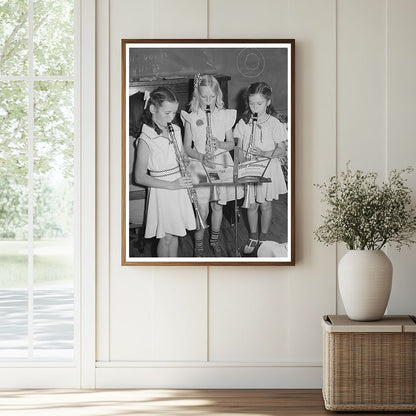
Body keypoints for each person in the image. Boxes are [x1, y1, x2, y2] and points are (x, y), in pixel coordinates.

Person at [181, 74, 241, 257]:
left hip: (221, 163)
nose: (208, 101)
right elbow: (186, 148)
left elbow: (231, 143)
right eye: (204, 96)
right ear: (197, 95)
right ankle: (198, 243)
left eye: (212, 97)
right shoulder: (191, 117)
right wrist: (200, 156)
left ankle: (214, 240)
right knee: (202, 208)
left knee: (217, 206)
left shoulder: (225, 115)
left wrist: (220, 144)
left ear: (218, 95)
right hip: (199, 165)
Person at [134, 87, 196, 257]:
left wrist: (186, 162)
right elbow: (139, 177)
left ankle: (173, 268)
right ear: (153, 109)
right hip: (163, 189)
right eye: (167, 113)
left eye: (174, 113)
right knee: (165, 237)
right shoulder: (145, 138)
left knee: (175, 233)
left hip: (178, 186)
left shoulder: (175, 130)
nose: (171, 118)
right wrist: (171, 185)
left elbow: (181, 154)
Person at [233, 82, 288, 255]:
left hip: (268, 168)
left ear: (268, 102)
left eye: (259, 104)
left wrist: (264, 152)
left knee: (265, 204)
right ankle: (253, 236)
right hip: (250, 168)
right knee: (251, 205)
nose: (255, 108)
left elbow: (282, 149)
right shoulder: (244, 122)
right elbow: (239, 148)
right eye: (251, 103)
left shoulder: (274, 123)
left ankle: (263, 237)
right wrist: (240, 165)